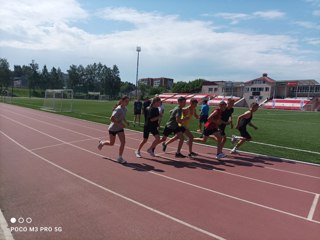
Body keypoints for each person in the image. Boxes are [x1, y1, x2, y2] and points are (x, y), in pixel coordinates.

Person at [98, 96, 130, 164]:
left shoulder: (125, 109)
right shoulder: (118, 109)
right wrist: (120, 124)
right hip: (113, 128)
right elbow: (111, 119)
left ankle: (120, 158)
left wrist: (126, 122)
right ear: (122, 101)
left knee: (123, 142)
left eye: (128, 101)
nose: (127, 103)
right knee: (111, 143)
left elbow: (123, 117)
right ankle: (102, 143)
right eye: (126, 101)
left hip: (119, 128)